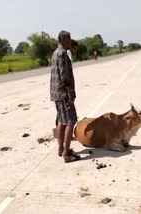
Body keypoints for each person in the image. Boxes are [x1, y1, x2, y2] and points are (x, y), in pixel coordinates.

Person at [50, 30, 80, 163]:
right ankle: (67, 153)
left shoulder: (56, 52)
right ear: (61, 40)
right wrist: (70, 91)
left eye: (70, 39)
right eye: (67, 39)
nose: (69, 42)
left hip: (56, 93)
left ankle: (61, 148)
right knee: (70, 121)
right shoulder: (62, 53)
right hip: (63, 93)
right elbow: (64, 75)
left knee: (62, 121)